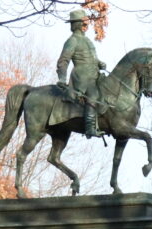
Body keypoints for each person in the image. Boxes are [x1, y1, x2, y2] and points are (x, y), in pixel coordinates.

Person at [56, 9, 109, 137]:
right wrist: (62, 78)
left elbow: (91, 58)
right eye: (84, 23)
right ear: (78, 24)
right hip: (82, 78)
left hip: (95, 74)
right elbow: (63, 61)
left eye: (86, 24)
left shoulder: (88, 40)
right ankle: (90, 127)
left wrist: (99, 63)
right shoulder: (72, 40)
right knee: (93, 95)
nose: (86, 26)